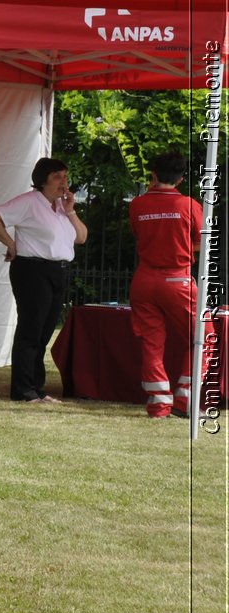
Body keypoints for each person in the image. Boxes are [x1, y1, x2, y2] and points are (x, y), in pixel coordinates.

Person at [0, 157, 88, 402]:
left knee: (44, 332)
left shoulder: (62, 206)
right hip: (32, 270)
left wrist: (71, 209)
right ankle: (23, 390)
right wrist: (10, 243)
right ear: (42, 181)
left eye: (65, 176)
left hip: (57, 270)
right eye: (57, 177)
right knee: (31, 330)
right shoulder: (29, 202)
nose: (64, 182)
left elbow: (81, 237)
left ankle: (35, 388)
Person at [128, 151, 202, 419]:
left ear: (154, 174)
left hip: (144, 279)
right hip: (177, 279)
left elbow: (140, 234)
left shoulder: (137, 205)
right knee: (204, 336)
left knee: (152, 342)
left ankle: (159, 405)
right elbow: (200, 241)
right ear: (182, 178)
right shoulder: (190, 205)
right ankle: (185, 397)